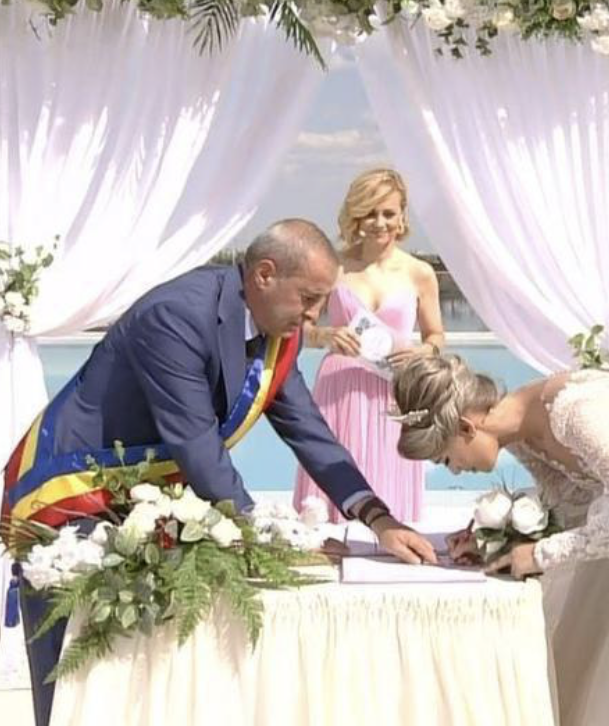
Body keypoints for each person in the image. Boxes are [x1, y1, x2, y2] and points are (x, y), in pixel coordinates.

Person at [2, 219, 437, 726]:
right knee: (75, 668)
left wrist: (378, 518)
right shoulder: (176, 316)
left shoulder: (278, 330)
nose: (315, 315)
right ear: (265, 275)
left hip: (145, 495)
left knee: (141, 671)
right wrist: (273, 540)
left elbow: (308, 430)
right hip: (74, 488)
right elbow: (197, 444)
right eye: (309, 298)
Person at [391, 353, 609, 725]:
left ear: (466, 428)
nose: (455, 471)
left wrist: (540, 554)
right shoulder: (520, 435)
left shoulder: (579, 412)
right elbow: (576, 510)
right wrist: (491, 541)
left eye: (445, 460)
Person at [294, 169, 445, 522]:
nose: (380, 223)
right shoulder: (333, 268)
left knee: (390, 488)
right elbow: (299, 326)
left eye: (388, 213)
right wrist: (326, 336)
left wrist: (421, 352)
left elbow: (436, 336)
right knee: (331, 488)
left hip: (395, 389)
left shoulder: (420, 273)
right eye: (370, 213)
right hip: (339, 387)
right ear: (356, 216)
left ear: (402, 215)